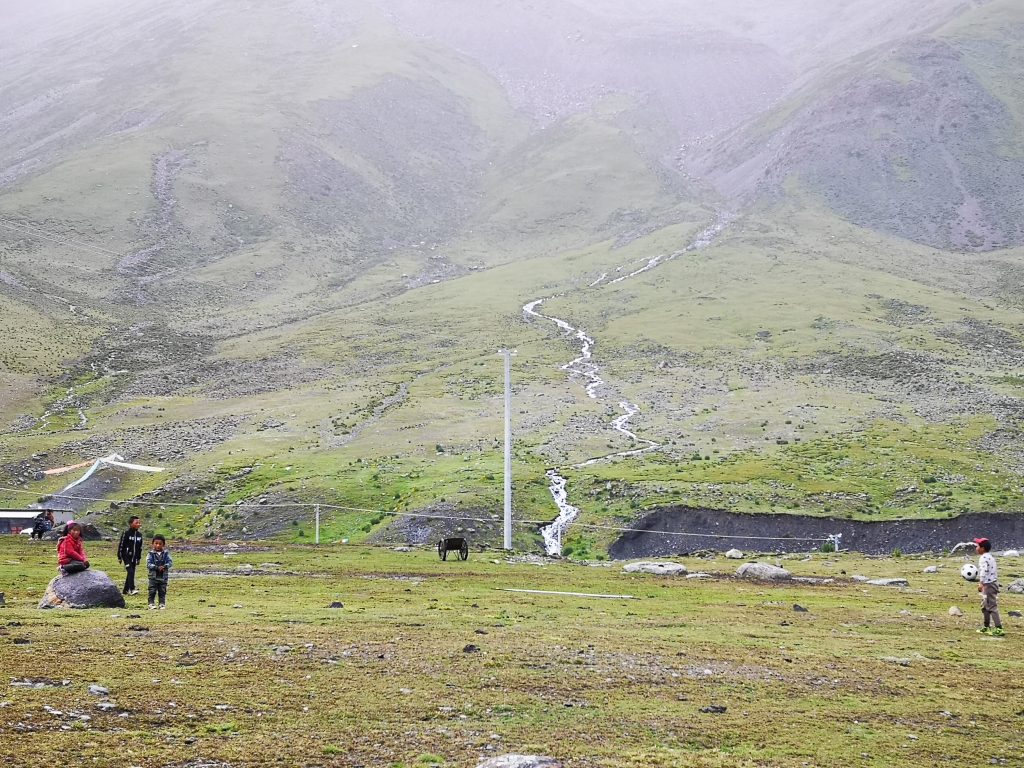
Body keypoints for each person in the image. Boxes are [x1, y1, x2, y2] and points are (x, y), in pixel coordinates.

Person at [974, 537, 1004, 637]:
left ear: (982, 548)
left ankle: (999, 628)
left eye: (978, 546)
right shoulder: (990, 556)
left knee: (991, 606)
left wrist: (981, 583)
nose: (976, 548)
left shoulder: (983, 558)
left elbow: (984, 571)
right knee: (985, 606)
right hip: (991, 583)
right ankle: (986, 626)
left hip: (989, 585)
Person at [117, 516, 144, 595]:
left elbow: (139, 548)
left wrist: (138, 558)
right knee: (131, 571)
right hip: (126, 556)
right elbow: (121, 545)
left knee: (131, 573)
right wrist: (119, 556)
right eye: (136, 523)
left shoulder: (139, 535)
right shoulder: (126, 533)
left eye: (139, 523)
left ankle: (125, 591)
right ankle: (132, 589)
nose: (138, 524)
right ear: (130, 524)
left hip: (134, 557)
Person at [146, 535, 172, 610]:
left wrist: (165, 566)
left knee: (162, 590)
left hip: (163, 576)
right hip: (153, 576)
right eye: (156, 543)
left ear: (163, 544)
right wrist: (156, 567)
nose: (158, 545)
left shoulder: (166, 554)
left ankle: (162, 603)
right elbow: (148, 564)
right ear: (152, 544)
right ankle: (151, 603)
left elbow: (170, 562)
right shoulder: (150, 554)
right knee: (152, 590)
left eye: (160, 544)